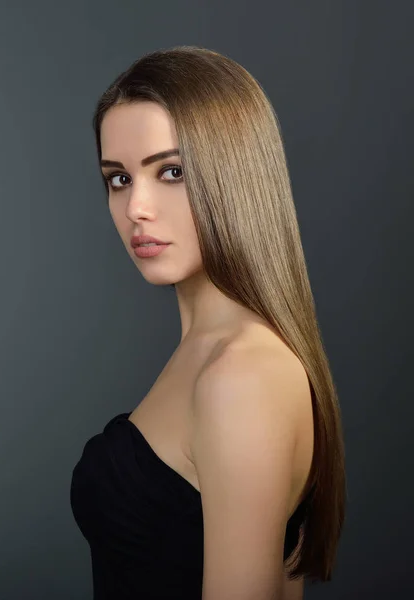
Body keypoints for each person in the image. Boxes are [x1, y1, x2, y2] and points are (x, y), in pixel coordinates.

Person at [70, 45, 346, 600]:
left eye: (170, 171)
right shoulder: (221, 355)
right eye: (118, 179)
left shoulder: (239, 376)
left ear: (234, 176)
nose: (136, 208)